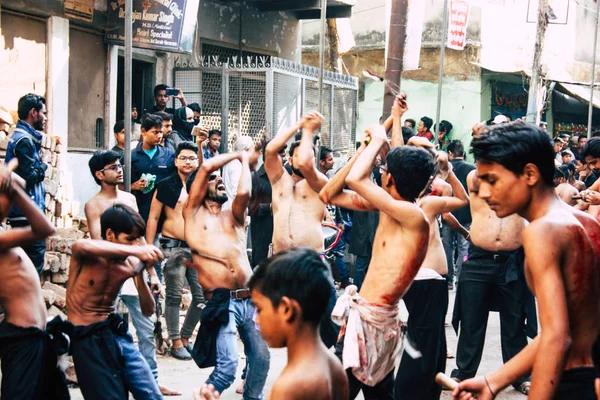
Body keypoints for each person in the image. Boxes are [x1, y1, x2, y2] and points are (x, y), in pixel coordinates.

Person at [453, 122, 600, 400]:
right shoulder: (581, 221)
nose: (483, 193)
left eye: (492, 180)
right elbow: (569, 326)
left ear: (530, 174)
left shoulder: (541, 231)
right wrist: (494, 380)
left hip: (568, 382)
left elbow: (557, 338)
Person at [320, 103, 434, 397]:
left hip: (374, 322)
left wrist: (377, 141)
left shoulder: (412, 216)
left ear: (390, 178)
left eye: (384, 169)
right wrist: (391, 123)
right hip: (373, 319)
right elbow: (329, 194)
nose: (381, 171)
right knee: (379, 394)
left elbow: (356, 180)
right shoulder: (391, 207)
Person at [196, 247, 350, 400]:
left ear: (286, 310)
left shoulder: (290, 385)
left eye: (260, 309)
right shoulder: (332, 366)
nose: (256, 319)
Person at [83, 150, 178, 396]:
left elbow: (139, 239)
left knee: (146, 330)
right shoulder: (93, 205)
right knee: (106, 331)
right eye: (113, 167)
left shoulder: (129, 198)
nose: (119, 170)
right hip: (110, 276)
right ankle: (114, 380)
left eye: (119, 165)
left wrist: (151, 273)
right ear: (99, 174)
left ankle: (152, 381)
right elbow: (98, 242)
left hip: (135, 270)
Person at [450, 128, 534, 396]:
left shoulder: (521, 179)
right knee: (472, 321)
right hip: (479, 260)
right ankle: (463, 374)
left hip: (512, 261)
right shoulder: (477, 177)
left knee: (514, 322)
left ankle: (520, 375)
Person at [183, 147, 270, 398]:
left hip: (251, 299)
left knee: (262, 358)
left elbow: (244, 192)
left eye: (221, 178)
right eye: (214, 180)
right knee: (228, 366)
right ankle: (208, 393)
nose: (219, 179)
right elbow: (205, 168)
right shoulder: (193, 215)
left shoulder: (234, 215)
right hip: (223, 302)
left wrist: (244, 161)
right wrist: (236, 154)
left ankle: (253, 397)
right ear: (196, 190)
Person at [395, 137, 469, 400]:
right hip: (425, 280)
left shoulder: (423, 199)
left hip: (430, 280)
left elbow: (453, 209)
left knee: (434, 344)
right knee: (424, 344)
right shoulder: (423, 202)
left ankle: (426, 392)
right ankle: (405, 393)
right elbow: (463, 199)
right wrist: (448, 173)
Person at [67, 205, 165, 400]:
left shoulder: (129, 263)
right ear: (110, 233)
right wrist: (139, 251)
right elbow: (79, 245)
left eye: (138, 239)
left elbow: (148, 310)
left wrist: (140, 274)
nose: (136, 244)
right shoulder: (88, 254)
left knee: (151, 394)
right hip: (86, 338)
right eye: (130, 239)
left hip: (115, 333)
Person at [264, 112, 340, 348]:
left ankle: (340, 366)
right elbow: (270, 150)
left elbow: (307, 163)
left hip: (312, 262)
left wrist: (309, 132)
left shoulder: (320, 183)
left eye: (305, 153)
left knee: (329, 323)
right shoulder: (278, 180)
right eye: (295, 153)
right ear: (289, 157)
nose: (301, 157)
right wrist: (298, 125)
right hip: (282, 263)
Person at [0, 159, 70, 400]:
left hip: (38, 337)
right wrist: (12, 187)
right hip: (21, 339)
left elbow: (17, 181)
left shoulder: (5, 234)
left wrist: (9, 178)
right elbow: (45, 229)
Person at [146, 142, 205, 361]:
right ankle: (175, 341)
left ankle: (186, 338)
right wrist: (149, 245)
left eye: (192, 158)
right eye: (184, 158)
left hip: (197, 247)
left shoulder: (201, 185)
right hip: (173, 246)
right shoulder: (166, 185)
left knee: (201, 296)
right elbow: (153, 217)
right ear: (176, 161)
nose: (188, 162)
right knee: (174, 294)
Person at [5, 93, 48, 276]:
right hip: (27, 214)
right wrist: (43, 165)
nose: (45, 118)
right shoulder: (24, 141)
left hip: (23, 214)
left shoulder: (24, 138)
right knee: (32, 268)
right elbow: (30, 176)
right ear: (33, 112)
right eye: (43, 113)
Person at [130, 113, 176, 223]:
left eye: (160, 132)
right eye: (155, 132)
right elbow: (119, 186)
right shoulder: (131, 156)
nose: (159, 136)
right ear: (143, 131)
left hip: (164, 214)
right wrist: (133, 186)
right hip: (139, 213)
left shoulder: (169, 155)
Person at [443, 139, 476, 289]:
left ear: (450, 153)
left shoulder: (443, 170)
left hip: (447, 214)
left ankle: (449, 280)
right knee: (464, 249)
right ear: (463, 153)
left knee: (447, 247)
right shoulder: (472, 169)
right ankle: (461, 280)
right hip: (466, 215)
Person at [223, 136, 255, 209]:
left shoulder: (232, 161)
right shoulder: (236, 165)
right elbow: (237, 193)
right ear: (245, 150)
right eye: (252, 150)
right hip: (234, 211)